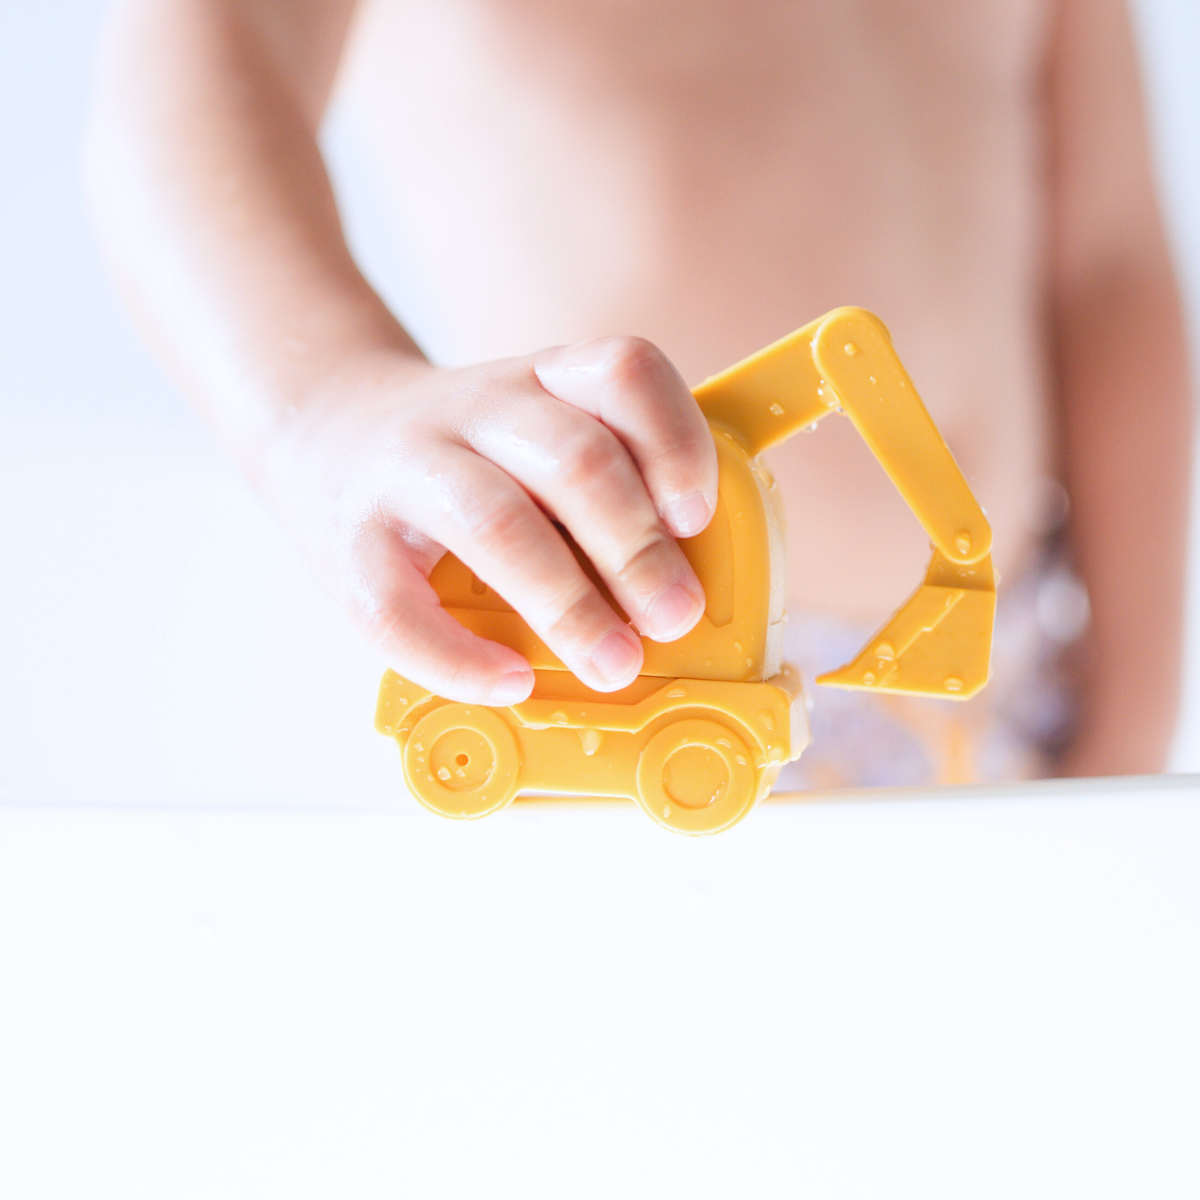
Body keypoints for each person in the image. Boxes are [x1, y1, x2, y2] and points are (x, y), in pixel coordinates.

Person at [85, 0, 1192, 783]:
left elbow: (1106, 269)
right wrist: (325, 404)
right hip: (629, 670)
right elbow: (171, 97)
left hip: (1004, 691)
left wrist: (1127, 726)